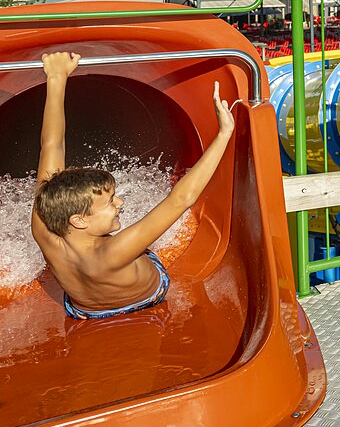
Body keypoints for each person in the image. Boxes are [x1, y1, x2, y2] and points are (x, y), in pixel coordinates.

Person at [30, 52, 236, 318]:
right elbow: (182, 198)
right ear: (79, 220)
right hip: (148, 296)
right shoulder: (114, 250)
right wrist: (223, 133)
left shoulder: (42, 228)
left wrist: (56, 78)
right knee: (141, 251)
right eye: (110, 201)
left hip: (84, 310)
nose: (120, 203)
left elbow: (51, 145)